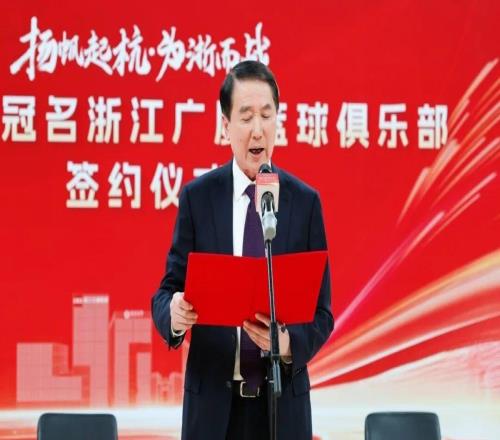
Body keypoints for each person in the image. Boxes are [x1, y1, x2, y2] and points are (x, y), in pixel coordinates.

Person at [152, 60, 333, 440]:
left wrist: (287, 344)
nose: (257, 129)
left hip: (281, 405)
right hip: (214, 408)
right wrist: (175, 314)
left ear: (278, 121)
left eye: (267, 115)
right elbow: (166, 292)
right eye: (246, 116)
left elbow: (322, 313)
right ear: (225, 126)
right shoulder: (198, 198)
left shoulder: (304, 203)